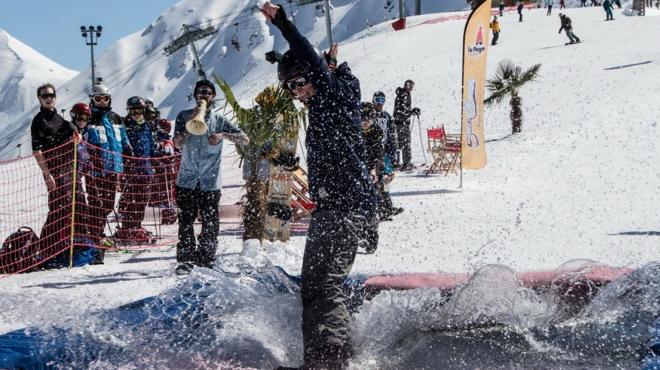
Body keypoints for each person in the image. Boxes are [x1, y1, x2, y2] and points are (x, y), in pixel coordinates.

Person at [261, 1, 379, 368]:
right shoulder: (329, 99)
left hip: (345, 208)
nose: (296, 92)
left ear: (319, 74)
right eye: (288, 87)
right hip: (338, 207)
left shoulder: (333, 94)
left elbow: (310, 60)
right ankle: (332, 353)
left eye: (299, 83)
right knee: (316, 286)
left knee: (322, 286)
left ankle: (330, 360)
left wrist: (283, 23)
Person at [172, 79, 249, 274]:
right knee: (186, 220)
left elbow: (245, 139)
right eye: (200, 92)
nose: (203, 95)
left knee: (210, 222)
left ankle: (206, 259)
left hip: (210, 181)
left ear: (212, 97)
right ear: (195, 95)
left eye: (207, 92)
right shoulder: (183, 116)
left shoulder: (219, 120)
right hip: (187, 179)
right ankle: (186, 259)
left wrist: (222, 135)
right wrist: (187, 130)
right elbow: (177, 144)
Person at [30, 83, 81, 263]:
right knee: (57, 210)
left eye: (51, 95)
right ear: (39, 99)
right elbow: (37, 151)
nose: (49, 98)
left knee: (69, 207)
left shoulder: (59, 117)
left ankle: (60, 246)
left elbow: (72, 130)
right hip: (53, 171)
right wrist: (47, 174)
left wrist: (76, 133)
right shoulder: (39, 121)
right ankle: (46, 250)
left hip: (67, 169)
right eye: (45, 96)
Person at [85, 83, 133, 263]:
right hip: (96, 171)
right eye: (98, 98)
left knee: (107, 205)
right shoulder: (89, 119)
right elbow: (83, 143)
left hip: (114, 169)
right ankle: (95, 237)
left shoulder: (115, 118)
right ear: (92, 99)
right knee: (96, 205)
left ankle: (98, 234)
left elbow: (124, 140)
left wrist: (129, 153)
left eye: (105, 98)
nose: (102, 102)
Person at [116, 96, 155, 242]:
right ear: (129, 111)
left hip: (146, 170)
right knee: (131, 199)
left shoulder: (146, 125)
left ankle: (137, 226)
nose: (137, 113)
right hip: (132, 170)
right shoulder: (125, 126)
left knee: (142, 200)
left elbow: (150, 146)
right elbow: (121, 147)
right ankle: (127, 228)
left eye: (139, 110)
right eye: (134, 111)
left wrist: (155, 159)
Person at [372, 91, 403, 220]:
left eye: (382, 100)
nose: (379, 103)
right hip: (373, 152)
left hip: (385, 153)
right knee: (376, 180)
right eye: (377, 100)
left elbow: (391, 135)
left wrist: (392, 153)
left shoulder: (387, 117)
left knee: (386, 179)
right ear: (373, 100)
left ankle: (387, 206)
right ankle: (379, 208)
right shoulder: (369, 115)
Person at [393, 79, 420, 171]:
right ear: (407, 85)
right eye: (410, 86)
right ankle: (406, 163)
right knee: (405, 143)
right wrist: (412, 111)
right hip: (402, 123)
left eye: (412, 86)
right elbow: (402, 111)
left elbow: (401, 110)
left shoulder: (401, 94)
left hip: (399, 122)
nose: (411, 88)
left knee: (399, 143)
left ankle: (396, 162)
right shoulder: (404, 95)